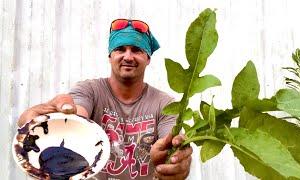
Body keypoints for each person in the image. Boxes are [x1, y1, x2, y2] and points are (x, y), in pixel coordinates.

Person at [18, 19, 192, 180]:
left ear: (148, 58)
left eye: (137, 50)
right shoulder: (89, 91)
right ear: (110, 56)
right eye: (120, 49)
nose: (128, 56)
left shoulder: (165, 104)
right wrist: (46, 122)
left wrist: (174, 158)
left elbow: (170, 142)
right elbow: (77, 117)